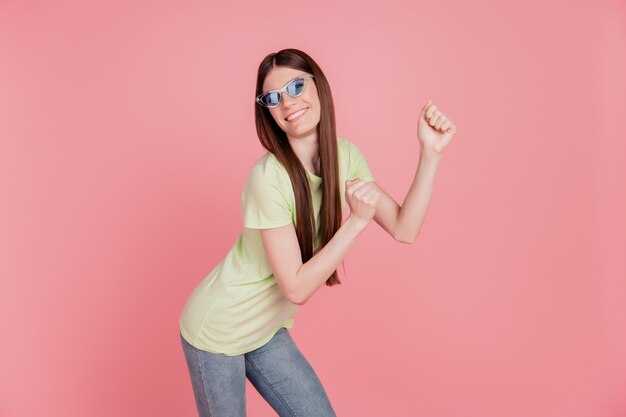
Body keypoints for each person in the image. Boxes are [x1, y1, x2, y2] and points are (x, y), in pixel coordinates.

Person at [178, 48, 457, 417]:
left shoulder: (346, 157)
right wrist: (355, 223)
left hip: (264, 330)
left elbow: (405, 229)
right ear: (268, 112)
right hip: (217, 330)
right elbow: (295, 287)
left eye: (296, 85)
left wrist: (430, 154)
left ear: (318, 84)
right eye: (273, 98)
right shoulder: (268, 179)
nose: (288, 102)